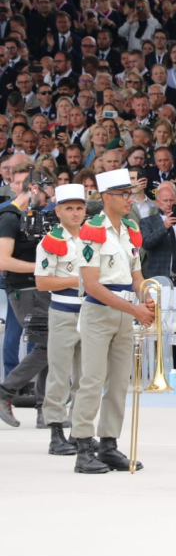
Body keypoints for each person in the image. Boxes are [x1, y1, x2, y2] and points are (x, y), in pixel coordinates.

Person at [70, 168, 155, 474]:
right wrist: (135, 310)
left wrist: (147, 297)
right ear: (106, 197)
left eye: (130, 193)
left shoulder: (130, 228)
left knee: (119, 381)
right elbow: (92, 284)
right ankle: (82, 446)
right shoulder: (92, 230)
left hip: (124, 310)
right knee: (92, 380)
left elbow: (136, 276)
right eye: (123, 194)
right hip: (98, 310)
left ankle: (108, 444)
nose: (129, 199)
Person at [0, 165, 55, 430]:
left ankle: (45, 410)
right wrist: (40, 268)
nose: (48, 201)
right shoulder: (9, 217)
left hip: (39, 291)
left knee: (48, 345)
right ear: (34, 189)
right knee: (47, 344)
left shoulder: (28, 217)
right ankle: (5, 392)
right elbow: (3, 261)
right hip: (24, 292)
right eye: (46, 196)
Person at [34, 183, 87, 454]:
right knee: (59, 373)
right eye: (69, 208)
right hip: (64, 311)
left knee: (85, 376)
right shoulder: (51, 240)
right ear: (58, 211)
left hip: (90, 312)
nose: (75, 213)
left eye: (79, 208)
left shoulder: (93, 238)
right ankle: (56, 431)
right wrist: (80, 280)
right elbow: (43, 282)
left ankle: (80, 433)